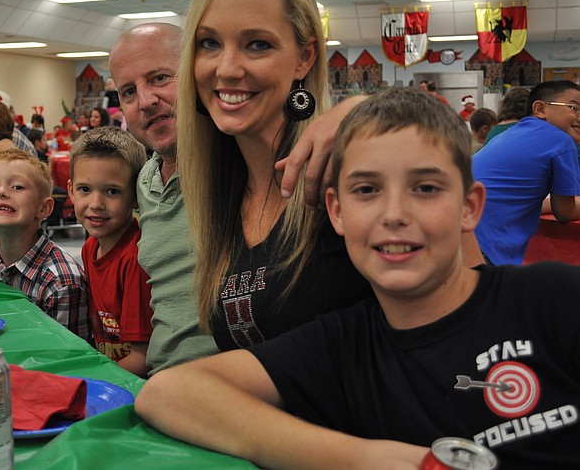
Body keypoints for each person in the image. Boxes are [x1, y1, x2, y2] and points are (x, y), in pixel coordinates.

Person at [136, 89, 580, 468]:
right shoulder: (342, 348)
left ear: (469, 207)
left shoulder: (549, 299)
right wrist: (365, 457)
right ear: (337, 212)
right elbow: (170, 393)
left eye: (425, 188)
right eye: (367, 190)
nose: (394, 215)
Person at [109, 15, 371, 374]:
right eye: (128, 92)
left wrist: (354, 110)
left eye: (159, 78)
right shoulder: (145, 180)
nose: (145, 100)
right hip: (160, 380)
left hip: (237, 382)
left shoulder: (236, 157)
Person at [177, 0, 378, 352]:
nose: (227, 69)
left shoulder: (343, 171)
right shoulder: (220, 194)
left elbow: (466, 302)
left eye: (257, 45)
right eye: (209, 43)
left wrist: (368, 108)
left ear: (304, 58)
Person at [0, 149, 89, 339]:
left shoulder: (61, 282)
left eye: (17, 187)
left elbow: (68, 351)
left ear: (44, 208)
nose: (0, 192)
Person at [68, 127, 152, 377]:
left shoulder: (135, 257)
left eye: (112, 191)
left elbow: (143, 358)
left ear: (135, 196)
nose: (96, 204)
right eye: (85, 189)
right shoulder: (90, 247)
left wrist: (91, 382)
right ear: (70, 191)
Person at [473, 80, 580, 265]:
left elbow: (521, 198)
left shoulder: (507, 135)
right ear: (540, 109)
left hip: (463, 233)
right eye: (574, 108)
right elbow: (565, 212)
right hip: (485, 247)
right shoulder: (561, 142)